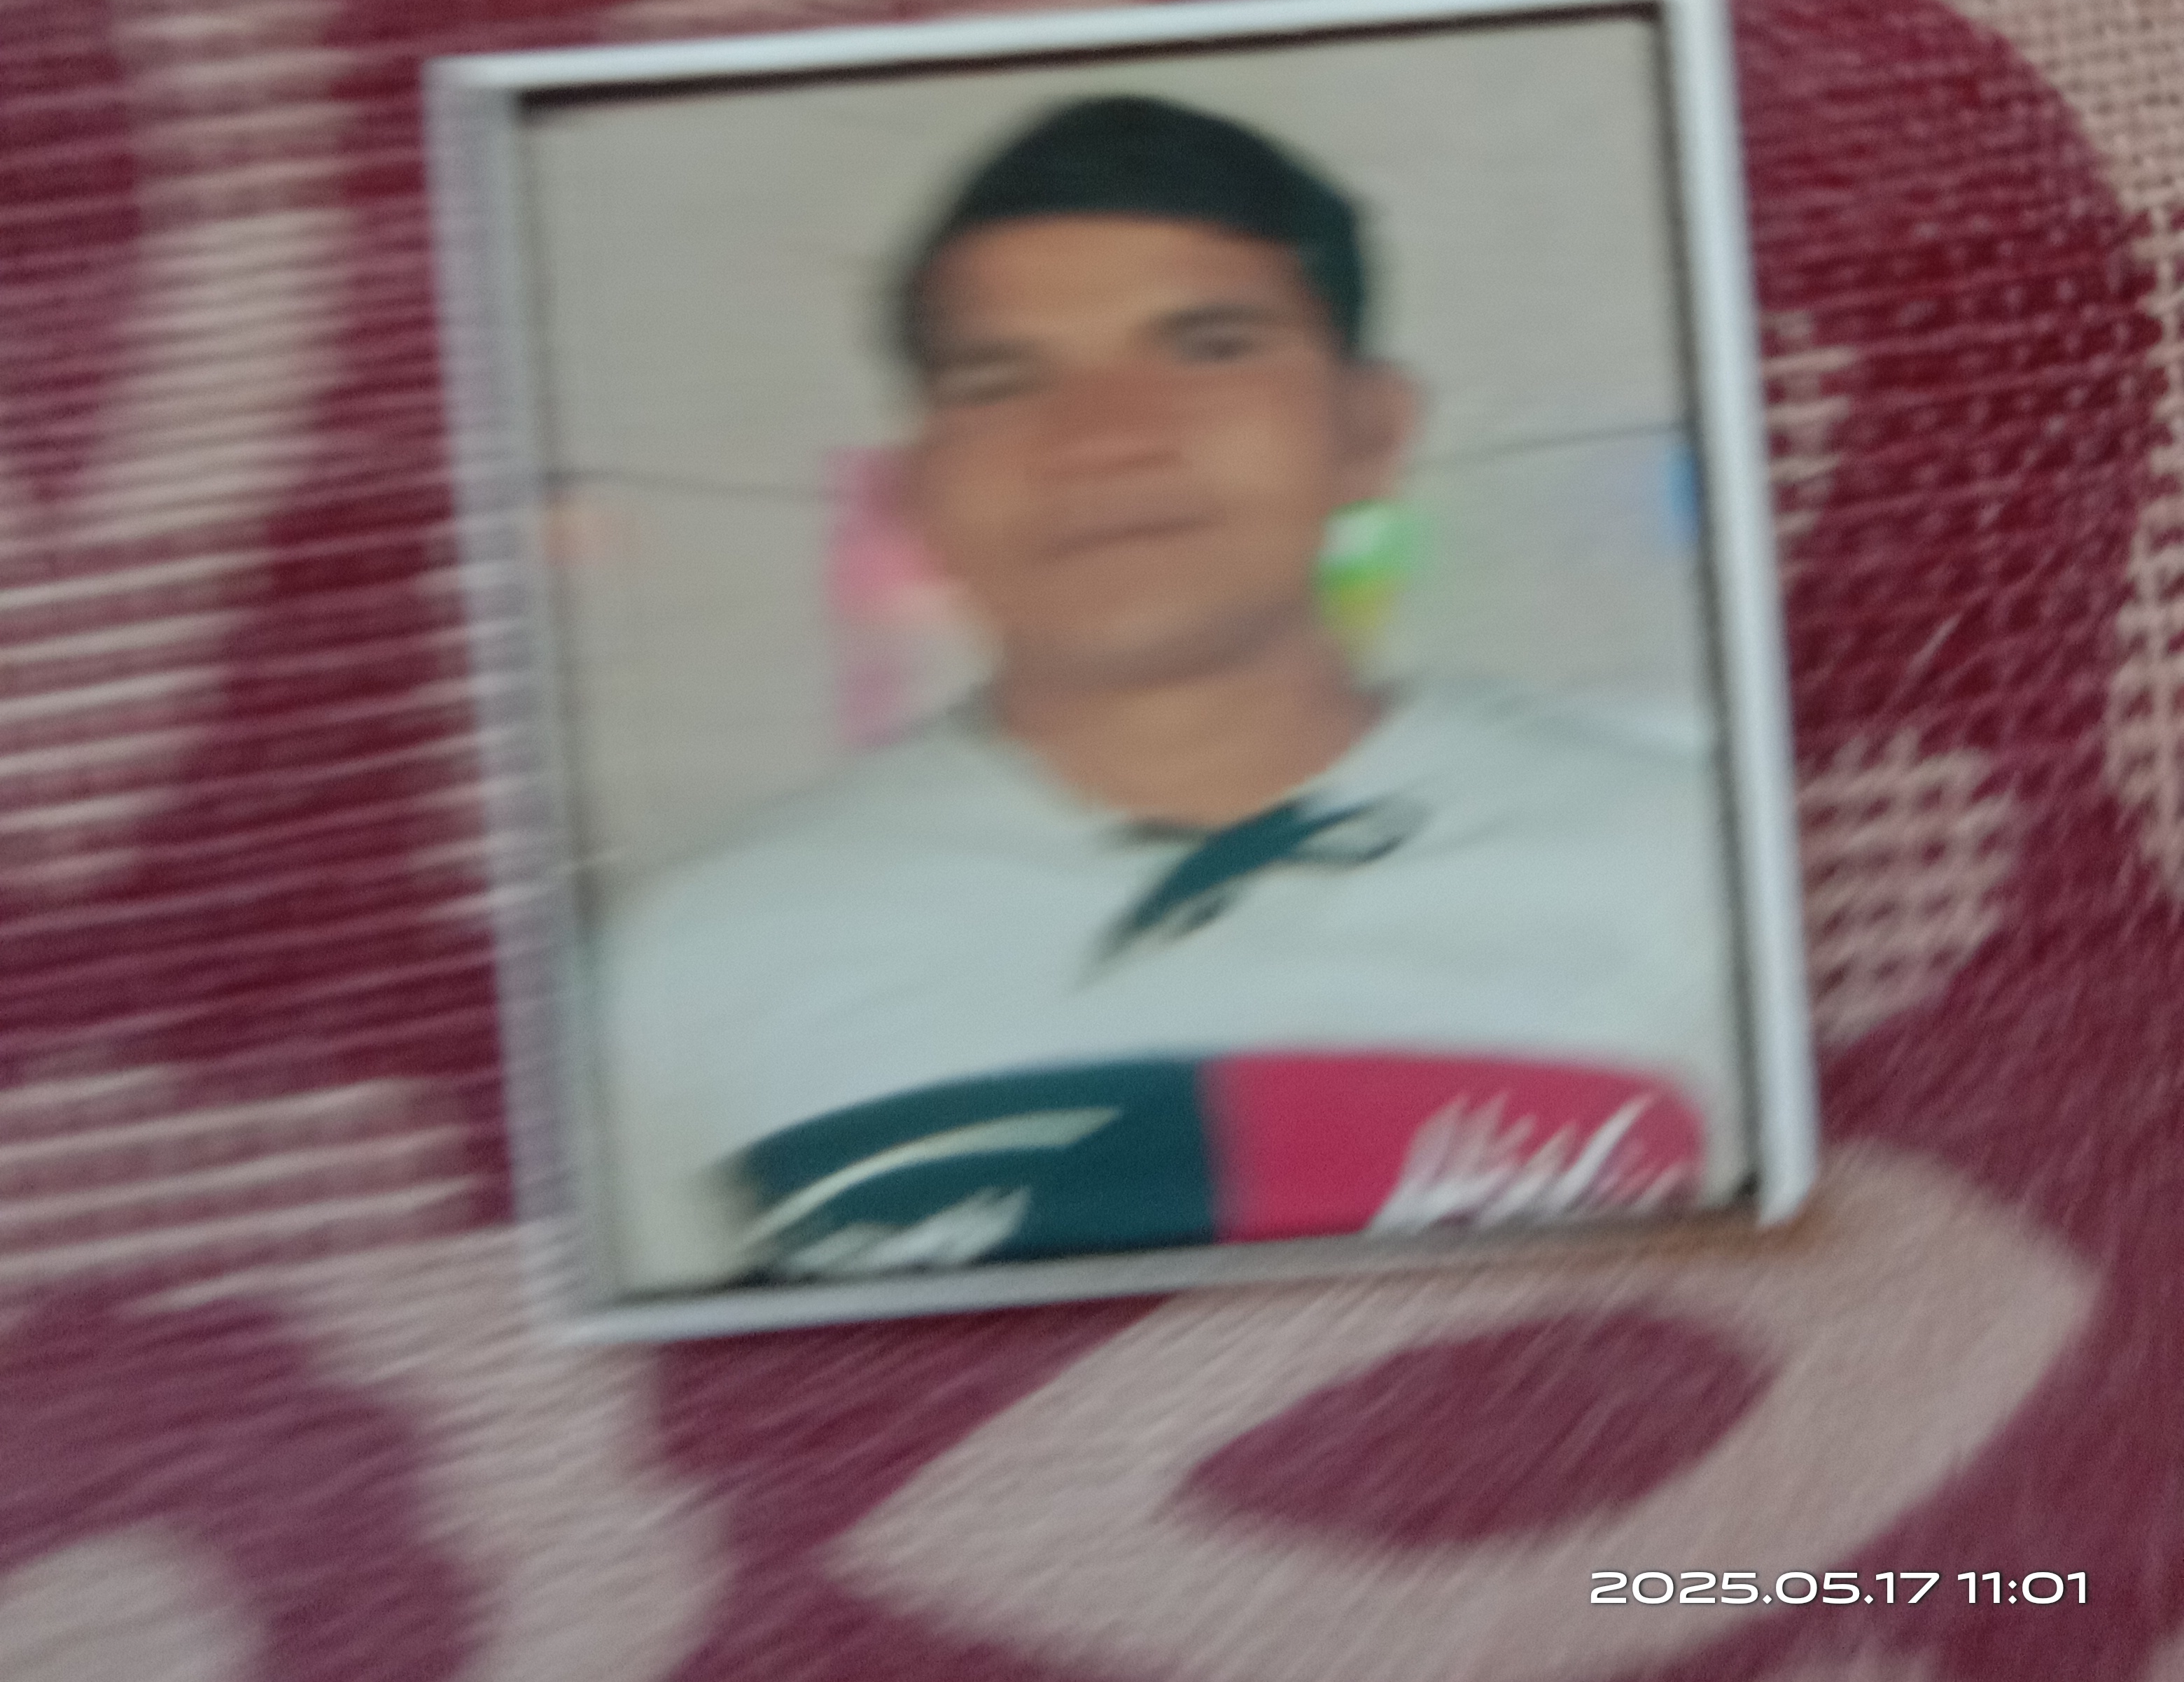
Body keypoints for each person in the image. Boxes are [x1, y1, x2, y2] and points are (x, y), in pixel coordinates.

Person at [595, 94, 1746, 1290]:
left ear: (1371, 430)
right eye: (1002, 378)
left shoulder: (1696, 866)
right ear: (919, 485)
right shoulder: (694, 962)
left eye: (1210, 348)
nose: (1104, 439)